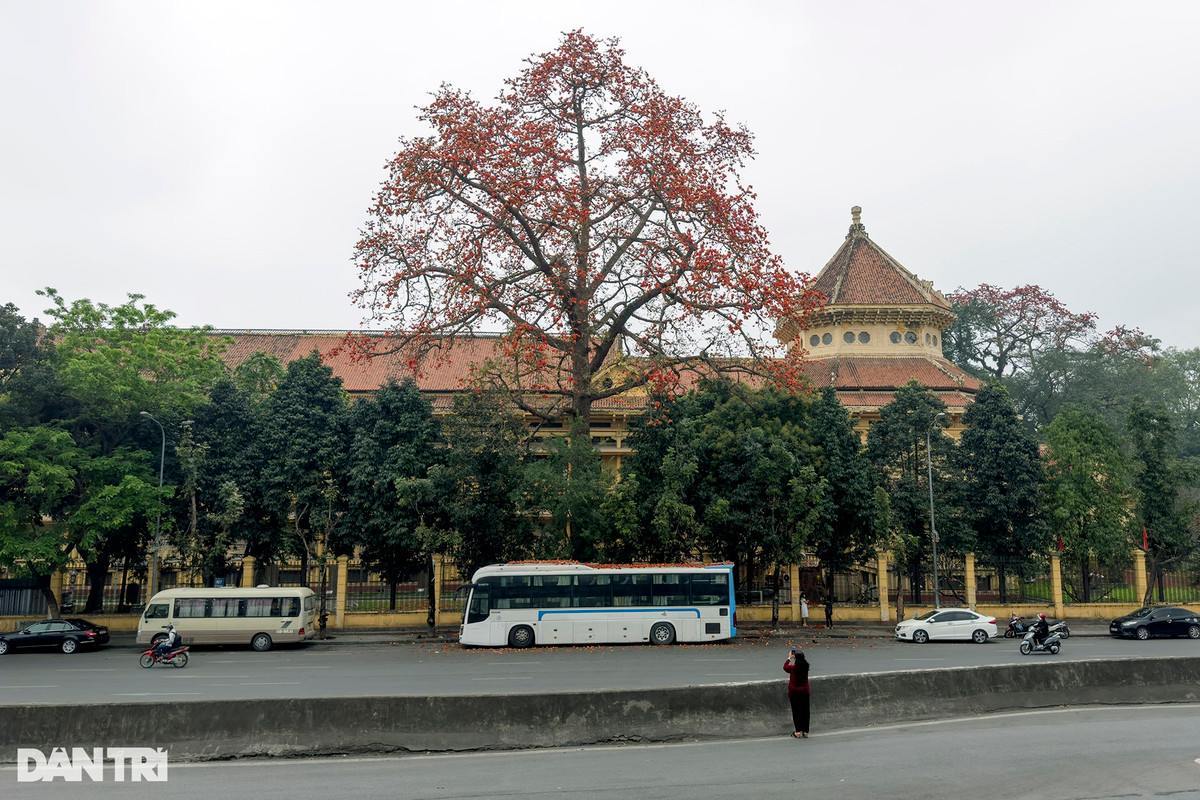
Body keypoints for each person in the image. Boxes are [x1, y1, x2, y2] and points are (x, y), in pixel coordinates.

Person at [783, 647, 810, 738]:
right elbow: (802, 662)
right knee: (805, 712)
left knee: (796, 712)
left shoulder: (792, 668)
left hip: (794, 693)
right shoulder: (805, 668)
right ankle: (805, 731)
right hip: (805, 692)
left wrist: (789, 658)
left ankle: (797, 731)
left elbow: (785, 667)